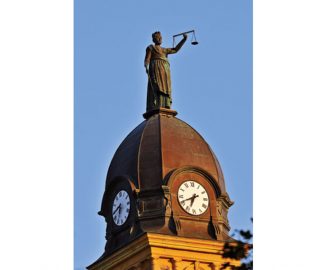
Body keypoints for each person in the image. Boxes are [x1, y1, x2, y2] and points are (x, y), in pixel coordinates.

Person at [144, 31, 187, 111]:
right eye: (158, 37)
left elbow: (175, 50)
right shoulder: (150, 48)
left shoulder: (164, 50)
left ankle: (165, 104)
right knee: (157, 85)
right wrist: (146, 65)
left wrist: (184, 39)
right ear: (154, 39)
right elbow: (147, 59)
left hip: (165, 69)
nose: (160, 39)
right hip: (156, 67)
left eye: (161, 38)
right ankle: (157, 103)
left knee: (165, 86)